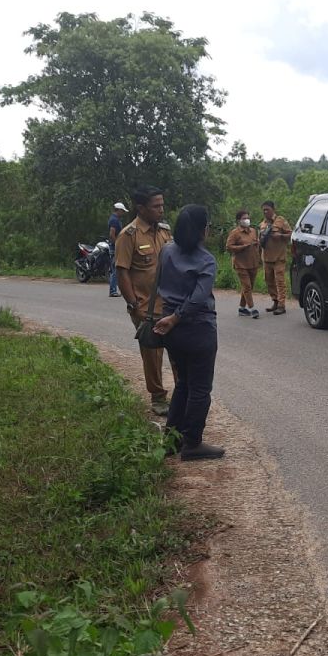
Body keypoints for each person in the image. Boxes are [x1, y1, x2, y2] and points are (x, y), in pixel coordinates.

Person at [153, 205, 225, 460]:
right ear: (202, 230)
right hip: (198, 329)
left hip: (172, 331)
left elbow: (159, 283)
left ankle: (171, 440)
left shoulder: (166, 251)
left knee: (183, 383)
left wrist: (171, 317)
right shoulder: (206, 260)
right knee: (200, 389)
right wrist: (178, 317)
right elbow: (198, 299)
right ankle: (192, 443)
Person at [115, 186, 176, 416]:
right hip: (145, 308)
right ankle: (158, 397)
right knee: (152, 353)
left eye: (162, 205)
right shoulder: (128, 235)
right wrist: (133, 305)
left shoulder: (164, 232)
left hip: (169, 304)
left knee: (178, 349)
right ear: (141, 208)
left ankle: (181, 395)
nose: (161, 210)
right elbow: (122, 273)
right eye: (156, 206)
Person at [259, 201, 293, 315]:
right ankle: (275, 301)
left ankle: (281, 305)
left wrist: (281, 236)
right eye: (263, 210)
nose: (265, 212)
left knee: (280, 282)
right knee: (269, 281)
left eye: (267, 209)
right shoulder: (262, 224)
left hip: (279, 258)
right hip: (266, 258)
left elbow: (291, 234)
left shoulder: (281, 221)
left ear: (273, 209)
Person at [226, 209, 261, 319]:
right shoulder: (235, 233)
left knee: (249, 287)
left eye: (247, 218)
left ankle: (242, 308)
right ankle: (252, 308)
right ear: (238, 220)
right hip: (241, 264)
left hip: (253, 263)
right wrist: (242, 247)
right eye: (244, 218)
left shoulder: (253, 231)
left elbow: (257, 244)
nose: (247, 220)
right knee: (247, 286)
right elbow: (229, 247)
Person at [108, 202, 127, 297]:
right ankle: (113, 290)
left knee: (116, 268)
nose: (123, 213)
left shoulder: (115, 219)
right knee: (115, 269)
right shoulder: (114, 220)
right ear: (118, 210)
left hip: (115, 246)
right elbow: (112, 234)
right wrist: (117, 245)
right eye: (122, 211)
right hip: (115, 247)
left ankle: (116, 288)